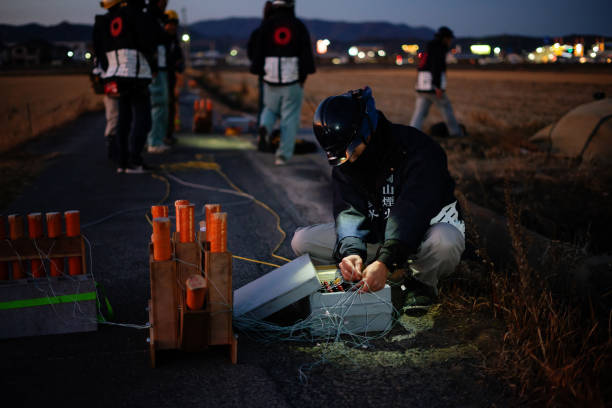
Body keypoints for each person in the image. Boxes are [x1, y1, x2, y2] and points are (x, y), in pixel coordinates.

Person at [291, 86, 465, 308]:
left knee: (444, 242)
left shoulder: (418, 149)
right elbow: (348, 211)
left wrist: (385, 261)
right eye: (343, 156)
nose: (350, 160)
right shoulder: (347, 161)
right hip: (380, 237)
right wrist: (352, 251)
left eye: (352, 151)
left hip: (423, 237)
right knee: (302, 241)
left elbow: (412, 211)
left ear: (367, 130)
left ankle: (422, 285)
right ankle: (383, 272)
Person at [249, 0, 316, 165]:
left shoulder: (266, 26)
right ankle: (282, 155)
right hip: (292, 80)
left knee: (269, 109)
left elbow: (257, 53)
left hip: (270, 78)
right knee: (290, 118)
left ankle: (265, 126)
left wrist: (260, 72)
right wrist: (302, 78)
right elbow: (306, 56)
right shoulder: (298, 26)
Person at [97, 0, 157, 173]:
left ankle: (123, 161)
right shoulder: (137, 17)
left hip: (116, 72)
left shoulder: (107, 20)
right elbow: (148, 43)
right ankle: (135, 160)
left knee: (124, 118)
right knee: (143, 119)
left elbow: (102, 49)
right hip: (135, 74)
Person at [410, 26, 463, 138]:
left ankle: (411, 135)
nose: (450, 41)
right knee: (446, 109)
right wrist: (437, 86)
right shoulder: (440, 48)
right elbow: (436, 67)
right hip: (433, 87)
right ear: (445, 38)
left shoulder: (429, 46)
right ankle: (455, 133)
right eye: (449, 39)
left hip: (421, 86)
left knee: (419, 113)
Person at [92, 0, 120, 161]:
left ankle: (113, 141)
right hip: (112, 73)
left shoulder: (100, 23)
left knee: (113, 111)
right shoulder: (112, 24)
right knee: (116, 111)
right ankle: (114, 144)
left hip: (106, 73)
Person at [146, 0, 171, 153]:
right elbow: (150, 45)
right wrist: (154, 65)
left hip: (158, 68)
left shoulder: (155, 19)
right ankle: (154, 142)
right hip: (156, 69)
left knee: (158, 106)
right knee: (158, 106)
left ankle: (155, 140)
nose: (165, 4)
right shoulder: (152, 20)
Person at [163, 9, 184, 145]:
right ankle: (158, 136)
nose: (172, 27)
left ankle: (168, 134)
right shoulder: (162, 38)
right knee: (160, 107)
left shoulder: (174, 41)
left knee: (170, 106)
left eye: (174, 24)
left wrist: (179, 64)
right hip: (161, 76)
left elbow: (179, 58)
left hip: (170, 77)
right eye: (170, 24)